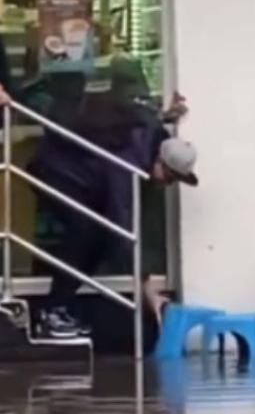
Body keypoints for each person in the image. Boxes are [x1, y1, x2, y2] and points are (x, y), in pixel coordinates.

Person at [16, 86, 198, 338]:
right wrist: (145, 284)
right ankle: (52, 311)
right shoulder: (130, 163)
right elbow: (122, 221)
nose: (168, 182)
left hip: (77, 177)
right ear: (160, 161)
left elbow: (144, 115)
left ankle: (59, 306)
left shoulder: (151, 137)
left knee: (96, 236)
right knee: (86, 231)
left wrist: (168, 114)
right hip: (55, 172)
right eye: (169, 176)